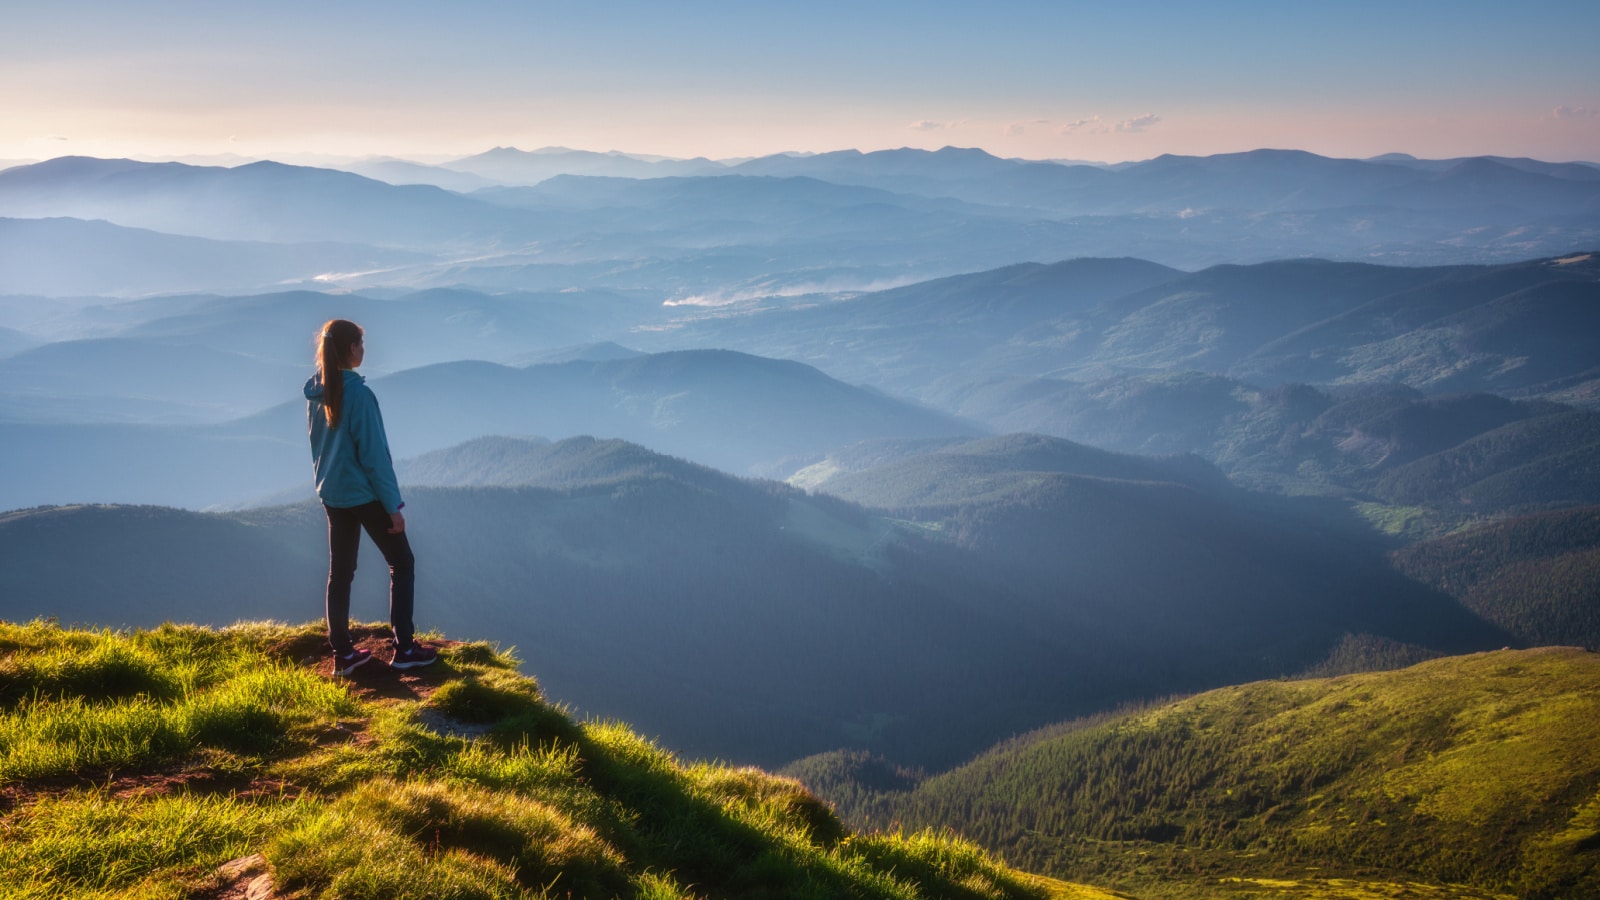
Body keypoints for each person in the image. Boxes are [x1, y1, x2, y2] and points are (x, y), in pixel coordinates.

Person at [305, 319, 437, 675]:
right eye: (361, 344)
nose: (364, 350)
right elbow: (375, 458)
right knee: (403, 562)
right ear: (351, 349)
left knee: (340, 573)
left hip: (332, 493)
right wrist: (393, 507)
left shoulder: (318, 392)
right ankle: (405, 648)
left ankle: (343, 654)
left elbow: (319, 446)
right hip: (363, 494)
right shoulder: (359, 396)